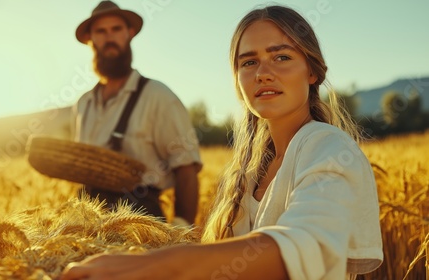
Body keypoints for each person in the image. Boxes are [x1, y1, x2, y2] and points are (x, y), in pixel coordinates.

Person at [61, 5, 383, 280]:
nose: (263, 73)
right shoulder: (250, 169)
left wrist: (152, 265)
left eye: (281, 57)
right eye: (248, 62)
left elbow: (300, 247)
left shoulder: (330, 149)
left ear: (312, 72)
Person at [71, 1, 202, 225]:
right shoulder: (83, 104)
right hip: (87, 224)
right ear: (90, 39)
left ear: (130, 33)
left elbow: (186, 167)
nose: (109, 37)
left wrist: (181, 235)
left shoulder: (158, 96)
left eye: (116, 29)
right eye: (101, 31)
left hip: (139, 224)